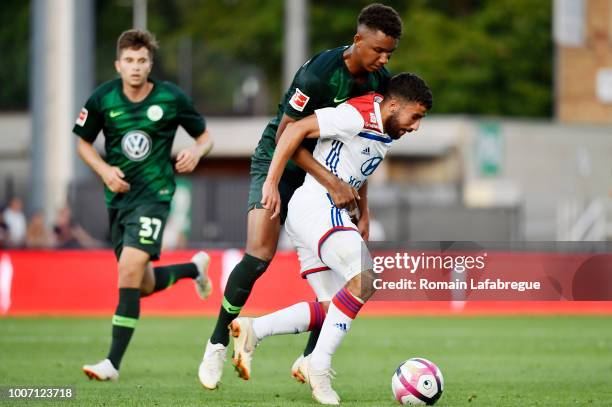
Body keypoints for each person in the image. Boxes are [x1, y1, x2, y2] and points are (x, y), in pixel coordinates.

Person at [199, 3, 403, 390]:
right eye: (378, 50)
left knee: (340, 276)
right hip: (279, 160)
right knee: (259, 254)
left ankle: (311, 360)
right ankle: (216, 342)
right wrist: (274, 182)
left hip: (328, 178)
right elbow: (285, 137)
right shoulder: (320, 74)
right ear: (358, 40)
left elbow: (367, 151)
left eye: (390, 52)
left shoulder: (381, 83)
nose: (383, 59)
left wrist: (364, 208)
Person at [233, 73, 433, 405]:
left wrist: (364, 212)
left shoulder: (385, 129)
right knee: (365, 280)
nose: (416, 127)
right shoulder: (356, 114)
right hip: (317, 206)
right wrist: (271, 182)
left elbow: (361, 168)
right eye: (416, 117)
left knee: (332, 308)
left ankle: (255, 329)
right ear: (394, 104)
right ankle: (318, 367)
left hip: (316, 212)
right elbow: (294, 130)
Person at [73, 29, 213, 381]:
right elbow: (83, 144)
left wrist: (196, 152)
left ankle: (112, 363)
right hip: (119, 200)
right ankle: (194, 270)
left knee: (129, 270)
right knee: (142, 283)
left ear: (150, 64)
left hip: (155, 196)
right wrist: (104, 170)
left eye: (142, 61)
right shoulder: (103, 99)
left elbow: (205, 137)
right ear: (118, 65)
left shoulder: (170, 98)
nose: (136, 67)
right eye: (129, 61)